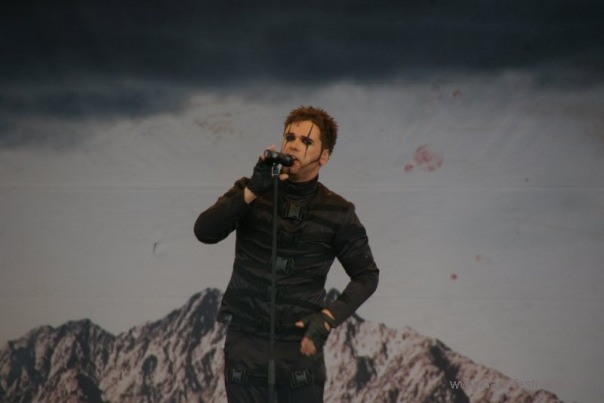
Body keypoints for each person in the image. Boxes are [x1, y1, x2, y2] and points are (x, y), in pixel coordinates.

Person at [194, 106, 379, 402]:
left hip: (299, 348)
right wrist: (252, 191)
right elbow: (204, 231)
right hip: (245, 345)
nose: (293, 145)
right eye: (289, 137)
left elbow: (367, 275)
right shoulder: (250, 190)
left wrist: (329, 318)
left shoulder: (338, 211)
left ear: (324, 157)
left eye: (306, 141)